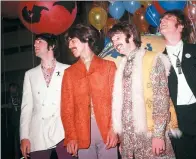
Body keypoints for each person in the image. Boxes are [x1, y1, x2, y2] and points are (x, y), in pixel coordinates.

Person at [109, 21, 181, 159]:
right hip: (129, 139)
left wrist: (158, 135)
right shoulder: (122, 65)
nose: (114, 43)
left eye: (117, 38)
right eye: (112, 41)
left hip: (149, 135)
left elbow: (161, 100)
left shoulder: (153, 59)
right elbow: (123, 107)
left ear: (130, 35)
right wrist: (124, 140)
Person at [61, 24, 118, 159]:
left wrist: (114, 129)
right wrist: (71, 137)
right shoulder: (69, 73)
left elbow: (117, 102)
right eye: (69, 42)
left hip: (107, 131)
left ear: (86, 39)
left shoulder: (109, 67)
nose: (69, 46)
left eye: (72, 41)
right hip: (81, 133)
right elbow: (67, 109)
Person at [20, 33, 73, 159]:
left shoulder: (68, 70)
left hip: (63, 132)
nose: (34, 44)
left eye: (39, 41)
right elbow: (26, 109)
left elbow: (74, 105)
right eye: (35, 42)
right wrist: (24, 137)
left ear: (51, 46)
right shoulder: (30, 75)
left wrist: (74, 135)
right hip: (38, 134)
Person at [160, 10, 196, 159]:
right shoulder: (159, 59)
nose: (162, 20)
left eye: (168, 18)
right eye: (162, 19)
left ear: (180, 26)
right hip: (176, 117)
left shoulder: (194, 51)